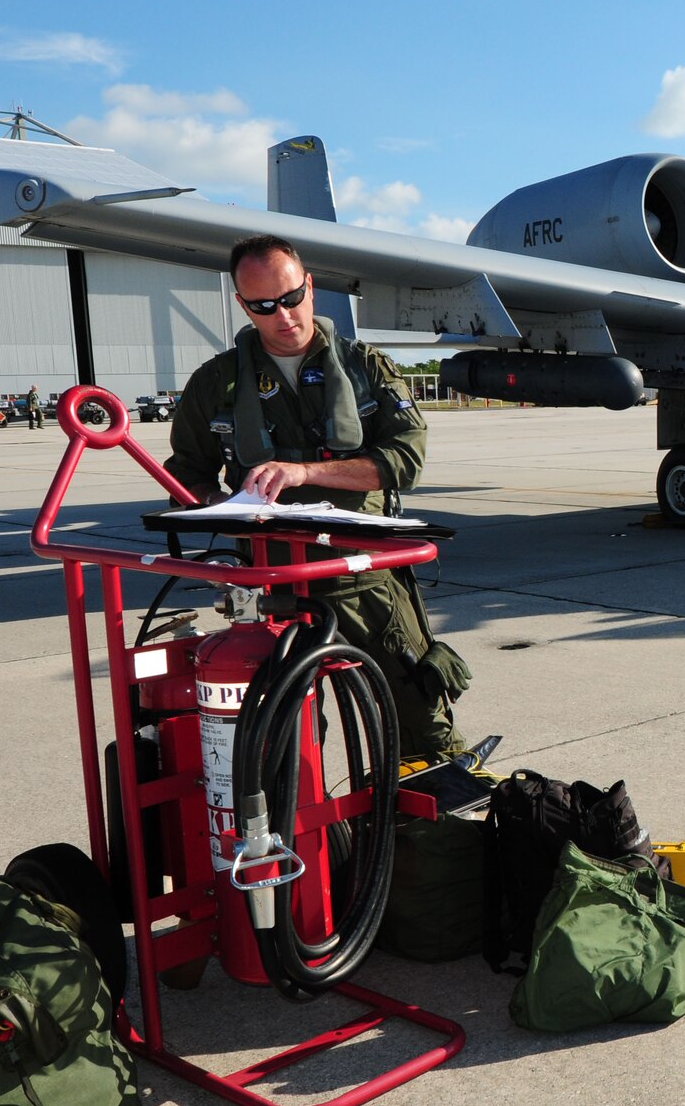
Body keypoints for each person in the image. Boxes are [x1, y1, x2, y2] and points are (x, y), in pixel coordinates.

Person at [164, 235, 470, 763]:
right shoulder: (216, 383)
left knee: (423, 730)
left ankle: (429, 839)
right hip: (268, 589)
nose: (282, 316)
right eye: (263, 306)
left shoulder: (365, 369)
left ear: (309, 286)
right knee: (282, 749)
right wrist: (220, 503)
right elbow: (183, 471)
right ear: (243, 305)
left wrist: (304, 471)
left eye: (290, 298)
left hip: (363, 579)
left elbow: (404, 461)